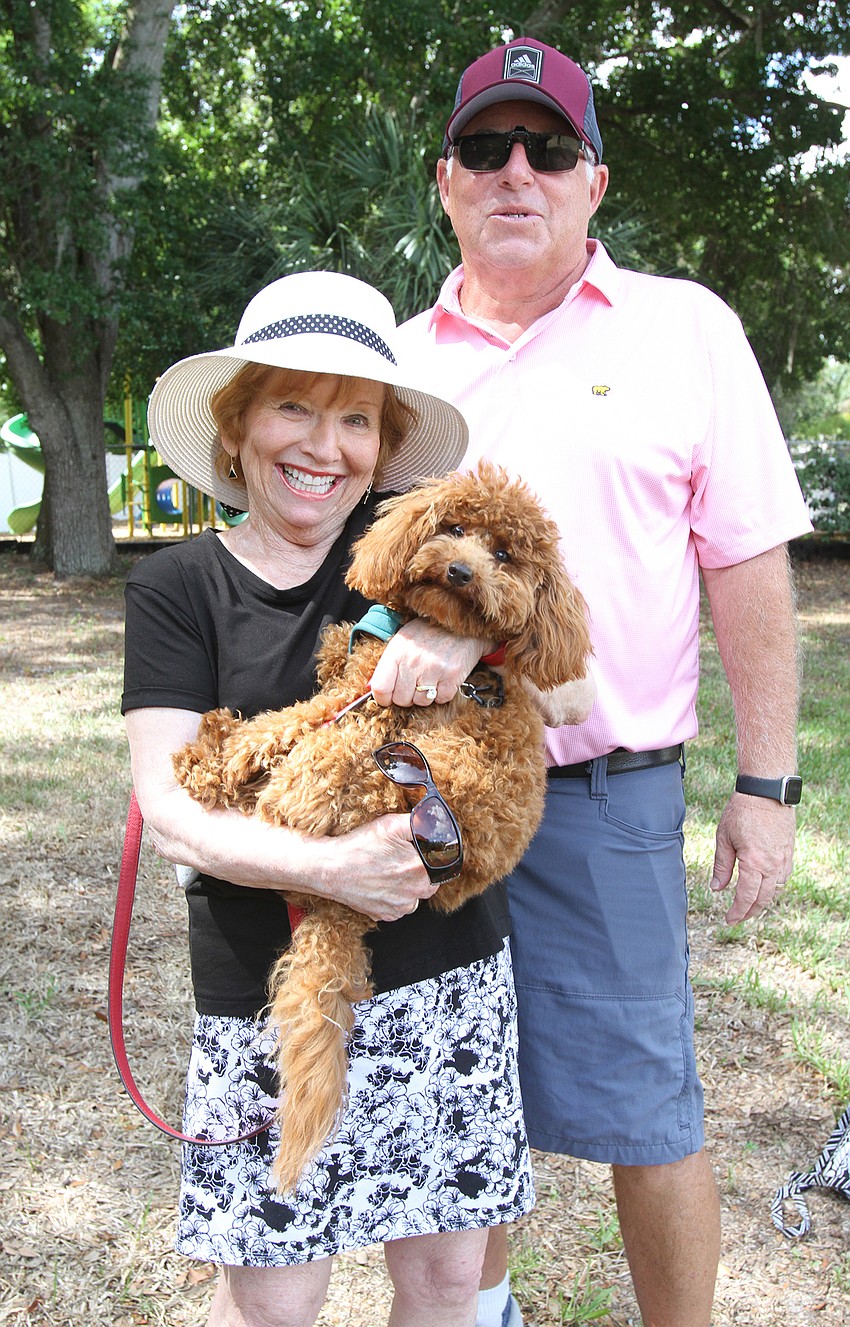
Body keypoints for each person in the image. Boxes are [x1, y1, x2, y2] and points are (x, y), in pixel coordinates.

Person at [392, 36, 813, 1327]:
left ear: (593, 180)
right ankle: (480, 1310)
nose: (514, 171)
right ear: (446, 182)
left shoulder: (684, 329)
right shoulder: (392, 360)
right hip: (423, 791)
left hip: (604, 794)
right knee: (454, 1092)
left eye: (547, 148)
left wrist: (764, 781)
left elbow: (743, 558)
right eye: (483, 148)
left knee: (647, 1106)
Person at [121, 270, 536, 1327]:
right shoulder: (178, 589)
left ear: (383, 444)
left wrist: (461, 627)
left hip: (445, 981)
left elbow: (567, 668)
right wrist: (327, 867)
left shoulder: (419, 557)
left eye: (355, 418)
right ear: (238, 425)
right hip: (267, 988)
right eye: (292, 405)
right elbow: (171, 808)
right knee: (275, 1298)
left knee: (445, 1282)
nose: (323, 443)